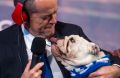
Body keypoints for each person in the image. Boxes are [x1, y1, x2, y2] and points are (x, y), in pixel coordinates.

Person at [0, 0, 120, 78]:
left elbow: (107, 56)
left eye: (55, 13)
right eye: (46, 17)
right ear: (23, 17)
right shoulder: (3, 44)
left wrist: (116, 69)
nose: (54, 20)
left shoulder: (71, 31)